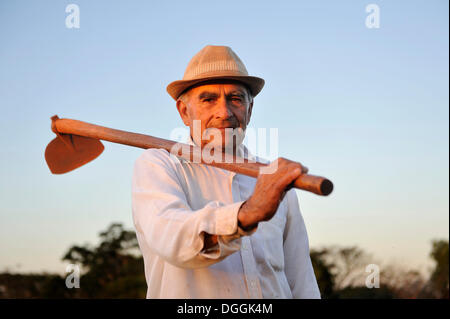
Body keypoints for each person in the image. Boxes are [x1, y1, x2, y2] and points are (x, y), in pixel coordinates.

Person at [132, 45, 320, 298]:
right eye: (208, 99)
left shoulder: (274, 178)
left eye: (235, 99)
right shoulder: (158, 165)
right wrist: (247, 214)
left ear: (250, 109)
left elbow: (301, 280)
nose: (224, 112)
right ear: (184, 111)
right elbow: (172, 238)